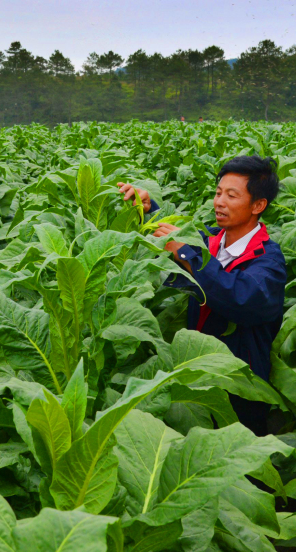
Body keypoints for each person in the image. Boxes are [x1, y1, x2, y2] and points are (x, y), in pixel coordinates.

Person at [117, 155, 285, 434]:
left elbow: (240, 298)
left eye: (232, 195)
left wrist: (188, 255)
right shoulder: (212, 242)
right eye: (219, 192)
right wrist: (148, 209)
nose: (219, 202)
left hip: (239, 387)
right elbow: (185, 241)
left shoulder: (268, 260)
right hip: (195, 373)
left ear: (258, 205)